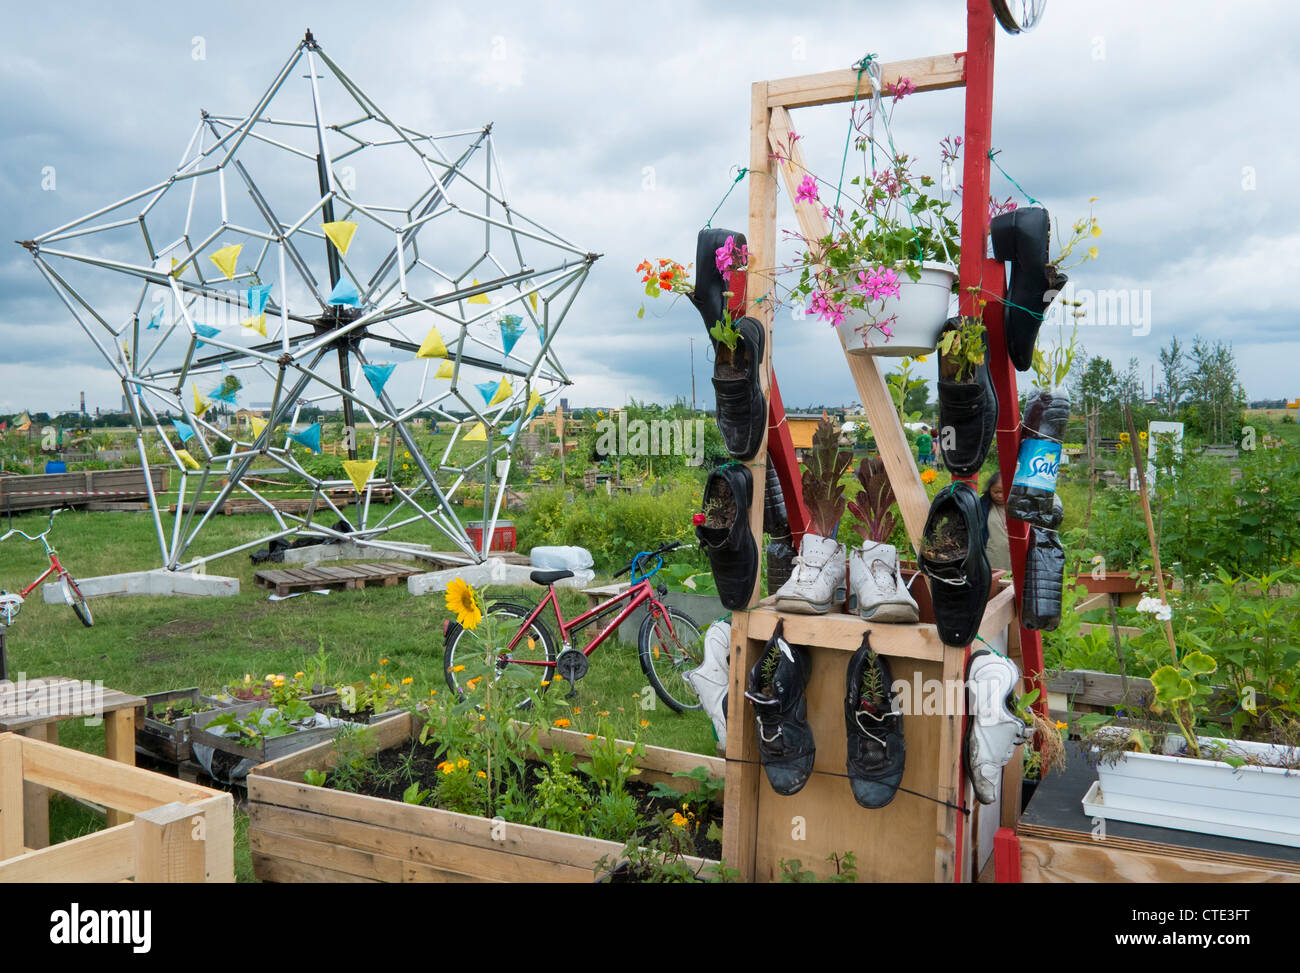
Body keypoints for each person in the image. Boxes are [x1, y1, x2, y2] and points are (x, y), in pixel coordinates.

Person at [980, 471, 1011, 572]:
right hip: (992, 558)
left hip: (1013, 558)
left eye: (1003, 492)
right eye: (996, 492)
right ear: (989, 490)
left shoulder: (1019, 506)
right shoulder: (983, 506)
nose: (1000, 496)